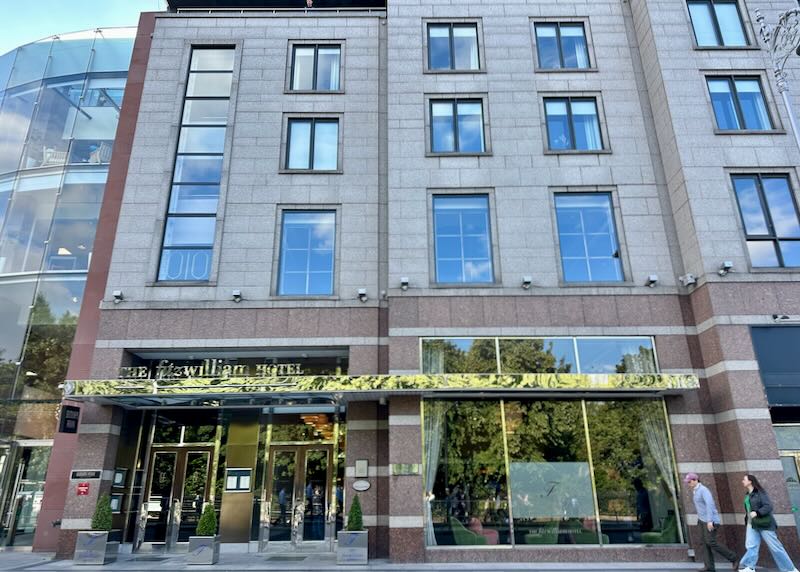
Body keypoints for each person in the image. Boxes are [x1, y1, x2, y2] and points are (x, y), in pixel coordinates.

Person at [737, 474, 799, 572]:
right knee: (751, 546)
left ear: (750, 481)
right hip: (752, 524)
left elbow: (768, 506)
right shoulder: (748, 495)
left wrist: (757, 513)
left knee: (775, 547)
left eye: (744, 479)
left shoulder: (760, 493)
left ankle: (790, 569)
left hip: (764, 524)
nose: (742, 481)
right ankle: (749, 567)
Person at [683, 473, 737, 572]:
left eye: (690, 482)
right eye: (688, 482)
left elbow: (710, 505)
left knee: (710, 542)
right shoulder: (695, 491)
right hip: (702, 521)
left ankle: (733, 558)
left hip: (710, 521)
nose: (688, 484)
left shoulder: (703, 490)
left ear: (696, 480)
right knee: (705, 543)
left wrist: (709, 521)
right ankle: (709, 567)